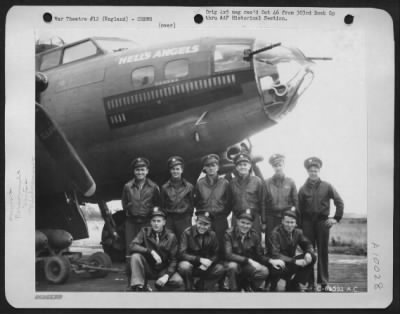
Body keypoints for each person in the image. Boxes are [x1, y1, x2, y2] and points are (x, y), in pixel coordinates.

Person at [298, 157, 344, 291]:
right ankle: (311, 283)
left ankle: (324, 283)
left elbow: (339, 202)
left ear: (319, 171)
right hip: (307, 223)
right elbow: (299, 209)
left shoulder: (327, 186)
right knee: (309, 252)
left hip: (322, 223)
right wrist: (300, 227)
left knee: (323, 252)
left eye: (315, 170)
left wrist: (336, 218)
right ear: (307, 171)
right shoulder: (302, 189)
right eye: (311, 170)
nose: (313, 173)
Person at [128, 207, 184, 291]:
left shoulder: (171, 236)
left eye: (159, 221)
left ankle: (159, 285)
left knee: (178, 281)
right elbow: (132, 246)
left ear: (164, 222)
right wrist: (150, 251)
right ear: (150, 222)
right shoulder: (144, 231)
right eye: (153, 221)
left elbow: (174, 259)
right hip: (148, 267)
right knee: (135, 256)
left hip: (163, 269)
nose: (156, 224)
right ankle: (139, 286)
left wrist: (167, 275)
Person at [267, 210, 316, 292]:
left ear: (295, 223)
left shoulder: (298, 232)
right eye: (287, 222)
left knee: (312, 257)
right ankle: (272, 284)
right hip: (276, 265)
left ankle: (294, 283)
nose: (289, 225)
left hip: (290, 263)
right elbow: (275, 254)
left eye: (292, 222)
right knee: (277, 264)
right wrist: (295, 261)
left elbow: (308, 244)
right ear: (282, 221)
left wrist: (308, 253)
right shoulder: (275, 233)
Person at [193, 154, 230, 259]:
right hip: (206, 219)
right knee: (206, 244)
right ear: (204, 168)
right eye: (208, 166)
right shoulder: (200, 183)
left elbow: (229, 202)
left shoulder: (225, 183)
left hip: (220, 218)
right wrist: (203, 215)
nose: (211, 168)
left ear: (218, 167)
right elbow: (196, 202)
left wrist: (222, 214)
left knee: (221, 243)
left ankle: (223, 268)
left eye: (213, 165)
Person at [178, 210, 225, 291]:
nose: (202, 227)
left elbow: (216, 254)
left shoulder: (212, 235)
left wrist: (210, 261)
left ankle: (202, 285)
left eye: (206, 224)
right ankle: (189, 286)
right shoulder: (187, 233)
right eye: (200, 223)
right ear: (196, 222)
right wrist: (199, 260)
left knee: (220, 268)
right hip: (191, 265)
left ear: (210, 225)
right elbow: (182, 254)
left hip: (205, 266)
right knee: (184, 266)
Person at [121, 157, 160, 256]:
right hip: (131, 222)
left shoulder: (154, 187)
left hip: (146, 222)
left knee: (147, 248)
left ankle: (146, 270)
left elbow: (158, 204)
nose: (140, 172)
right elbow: (124, 203)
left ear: (147, 171)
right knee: (130, 247)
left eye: (142, 170)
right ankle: (129, 270)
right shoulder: (127, 186)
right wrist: (130, 211)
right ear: (134, 171)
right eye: (137, 170)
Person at [224, 208, 270, 291]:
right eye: (242, 222)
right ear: (237, 221)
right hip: (234, 264)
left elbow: (260, 255)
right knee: (232, 266)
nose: (245, 226)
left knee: (264, 271)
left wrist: (271, 261)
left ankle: (250, 286)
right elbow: (228, 255)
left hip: (246, 266)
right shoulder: (229, 234)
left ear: (252, 224)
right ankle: (234, 291)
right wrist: (249, 260)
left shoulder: (254, 235)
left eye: (248, 224)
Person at [228, 153, 267, 235]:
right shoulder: (232, 183)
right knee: (236, 242)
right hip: (237, 216)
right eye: (240, 165)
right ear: (236, 167)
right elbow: (229, 201)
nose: (243, 167)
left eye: (245, 164)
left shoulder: (257, 181)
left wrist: (263, 220)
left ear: (249, 166)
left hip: (253, 217)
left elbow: (262, 202)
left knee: (255, 242)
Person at [161, 156, 194, 238]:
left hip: (184, 219)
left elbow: (192, 204)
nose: (175, 171)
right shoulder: (164, 187)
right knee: (169, 243)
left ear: (182, 170)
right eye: (173, 169)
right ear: (170, 171)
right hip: (170, 219)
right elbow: (162, 205)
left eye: (177, 169)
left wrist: (188, 218)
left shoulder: (189, 187)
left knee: (184, 242)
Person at [265, 154, 298, 234]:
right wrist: (263, 220)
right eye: (275, 166)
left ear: (283, 165)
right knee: (270, 239)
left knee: (285, 241)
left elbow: (296, 201)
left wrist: (294, 217)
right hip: (271, 216)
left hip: (286, 216)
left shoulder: (290, 182)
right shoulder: (267, 182)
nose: (278, 168)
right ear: (273, 167)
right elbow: (263, 202)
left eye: (280, 165)